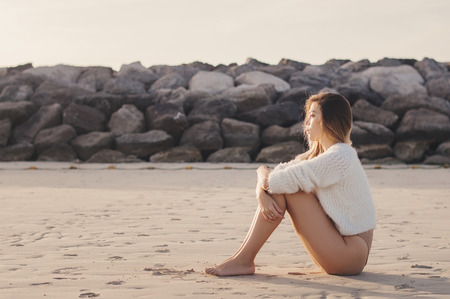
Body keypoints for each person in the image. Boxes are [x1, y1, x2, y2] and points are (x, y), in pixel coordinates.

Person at [205, 92, 376, 276]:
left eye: (313, 115)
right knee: (285, 185)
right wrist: (260, 192)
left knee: (288, 188)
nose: (306, 123)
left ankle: (243, 260)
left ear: (329, 120)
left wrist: (263, 187)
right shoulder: (320, 156)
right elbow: (274, 174)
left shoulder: (341, 155)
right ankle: (242, 259)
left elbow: (278, 180)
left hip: (351, 253)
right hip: (339, 246)